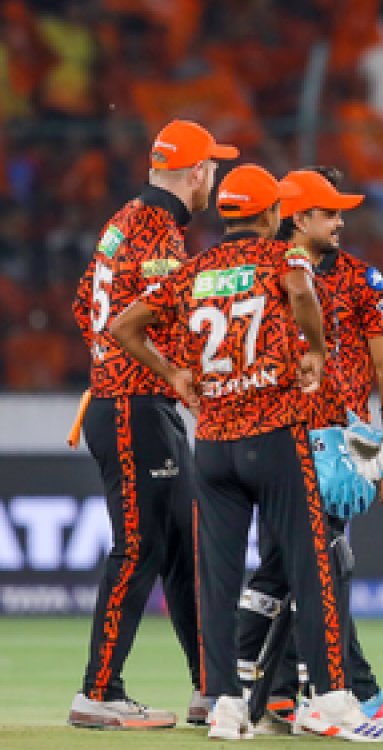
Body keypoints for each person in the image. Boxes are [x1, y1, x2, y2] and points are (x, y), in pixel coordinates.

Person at [110, 164, 383, 742]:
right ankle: (331, 700)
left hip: (214, 446)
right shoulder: (281, 258)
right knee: (312, 565)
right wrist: (316, 349)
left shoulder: (191, 271)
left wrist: (174, 374)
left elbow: (123, 326)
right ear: (272, 214)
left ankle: (224, 705)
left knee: (217, 580)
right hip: (274, 433)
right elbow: (301, 290)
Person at [67, 119, 235, 730]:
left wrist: (108, 364)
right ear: (197, 172)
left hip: (126, 400)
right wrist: (187, 373)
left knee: (183, 547)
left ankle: (211, 689)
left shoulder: (121, 223)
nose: (214, 179)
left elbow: (86, 304)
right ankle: (98, 691)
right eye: (212, 167)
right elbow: (172, 320)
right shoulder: (160, 233)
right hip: (135, 404)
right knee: (139, 546)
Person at [234, 166, 383, 733]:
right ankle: (316, 691)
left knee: (310, 567)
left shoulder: (362, 279)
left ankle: (277, 694)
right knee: (303, 567)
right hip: (277, 433)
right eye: (330, 212)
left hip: (336, 446)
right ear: (298, 217)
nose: (340, 222)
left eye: (340, 212)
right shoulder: (268, 272)